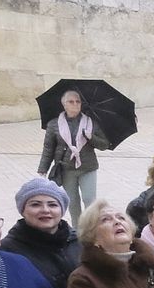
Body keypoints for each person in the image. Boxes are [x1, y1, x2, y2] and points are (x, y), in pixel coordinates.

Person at [38, 88, 113, 218]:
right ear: (64, 104)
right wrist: (43, 169)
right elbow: (48, 148)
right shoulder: (54, 124)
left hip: (87, 167)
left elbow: (104, 144)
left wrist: (91, 137)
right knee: (72, 203)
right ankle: (77, 233)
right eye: (71, 101)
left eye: (78, 101)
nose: (75, 104)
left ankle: (90, 230)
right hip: (66, 169)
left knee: (89, 200)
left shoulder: (90, 123)